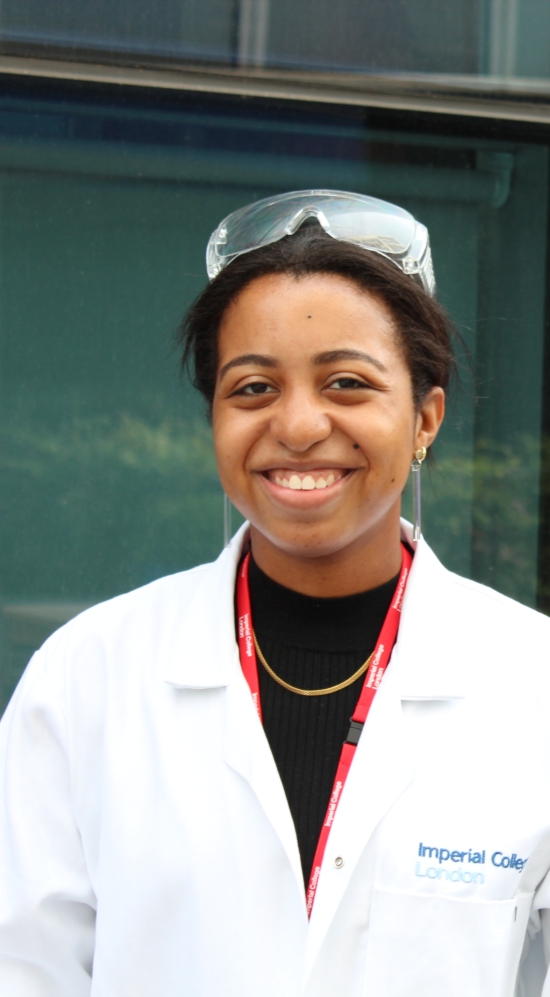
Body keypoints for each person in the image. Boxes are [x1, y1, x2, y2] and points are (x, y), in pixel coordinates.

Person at [0, 189, 549, 997]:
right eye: (253, 388)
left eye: (348, 384)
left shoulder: (531, 682)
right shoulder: (87, 678)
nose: (297, 426)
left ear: (426, 417)